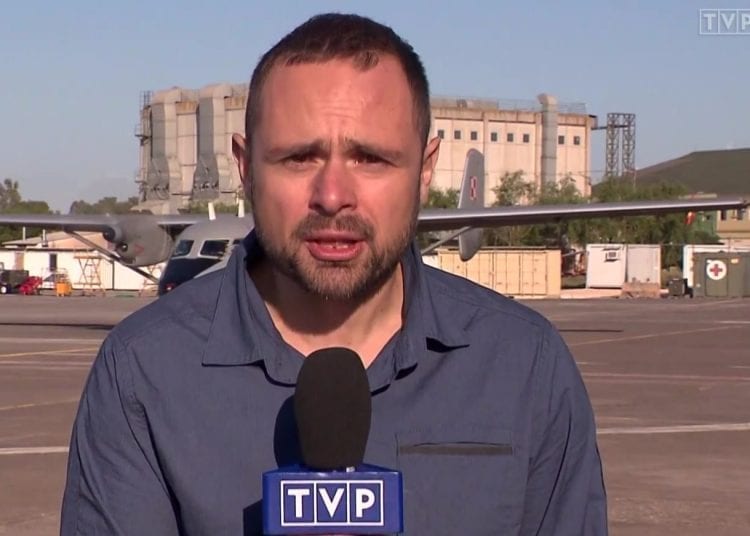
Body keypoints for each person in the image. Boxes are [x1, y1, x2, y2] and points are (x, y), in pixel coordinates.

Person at [60, 12, 608, 535]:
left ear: (425, 170)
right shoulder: (142, 372)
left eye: (371, 159)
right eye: (299, 158)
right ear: (246, 169)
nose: (332, 196)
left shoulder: (526, 368)